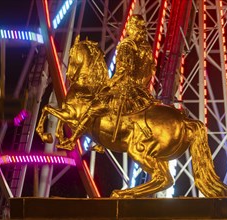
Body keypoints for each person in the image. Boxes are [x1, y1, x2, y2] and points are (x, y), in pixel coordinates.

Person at [59, 14, 156, 148]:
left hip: (124, 88)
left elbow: (123, 71)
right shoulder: (146, 48)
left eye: (130, 26)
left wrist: (111, 83)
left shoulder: (127, 45)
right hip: (141, 93)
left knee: (93, 107)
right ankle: (100, 142)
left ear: (132, 27)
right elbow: (150, 71)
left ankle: (72, 140)